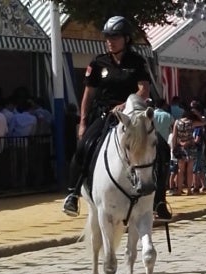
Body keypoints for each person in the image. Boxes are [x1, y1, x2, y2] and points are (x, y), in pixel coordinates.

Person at [62, 15, 172, 221]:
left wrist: (127, 102)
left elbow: (144, 90)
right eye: (108, 37)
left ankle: (159, 199)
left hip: (132, 116)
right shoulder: (98, 63)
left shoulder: (137, 61)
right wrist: (83, 121)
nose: (109, 41)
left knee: (163, 148)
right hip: (105, 114)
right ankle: (73, 193)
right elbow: (88, 94)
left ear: (126, 39)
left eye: (115, 37)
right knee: (84, 146)